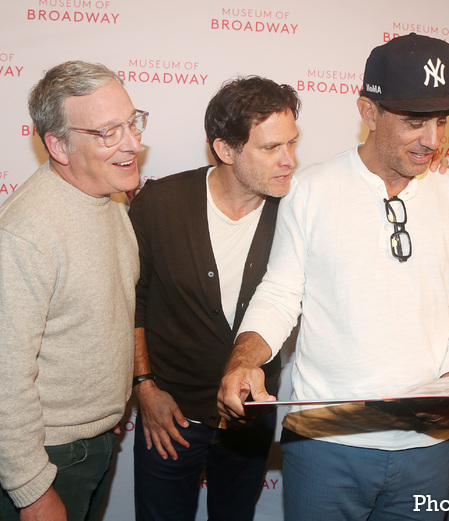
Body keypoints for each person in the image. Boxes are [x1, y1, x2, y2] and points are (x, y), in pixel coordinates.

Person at [217, 33, 449, 521]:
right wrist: (244, 360)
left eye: (439, 121)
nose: (431, 139)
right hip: (325, 441)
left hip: (428, 449)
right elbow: (281, 294)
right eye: (414, 122)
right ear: (368, 112)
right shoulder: (309, 190)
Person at [127, 76, 300, 521]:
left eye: (292, 144)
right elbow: (132, 304)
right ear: (225, 150)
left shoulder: (298, 211)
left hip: (250, 419)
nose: (289, 162)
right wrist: (145, 388)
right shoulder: (160, 203)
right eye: (270, 148)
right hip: (170, 416)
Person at [0, 61, 145, 521]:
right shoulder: (25, 234)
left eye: (131, 122)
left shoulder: (108, 197)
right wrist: (32, 490)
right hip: (49, 458)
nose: (133, 144)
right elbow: (5, 378)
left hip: (96, 443)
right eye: (107, 132)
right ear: (58, 145)